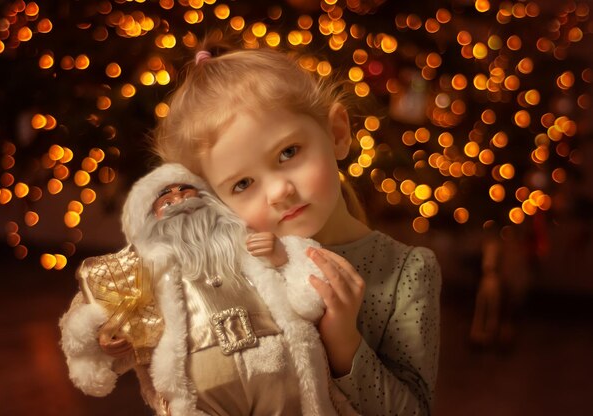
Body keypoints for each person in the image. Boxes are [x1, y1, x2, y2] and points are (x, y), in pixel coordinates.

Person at [152, 44, 442, 415]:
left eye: (288, 152)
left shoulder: (408, 273)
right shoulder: (228, 272)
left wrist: (344, 343)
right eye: (243, 184)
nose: (279, 192)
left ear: (337, 133)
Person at [60, 163, 357, 416]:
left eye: (185, 189)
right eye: (165, 196)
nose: (178, 198)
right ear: (148, 219)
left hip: (280, 374)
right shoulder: (141, 269)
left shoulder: (249, 243)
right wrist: (104, 340)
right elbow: (93, 314)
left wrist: (280, 257)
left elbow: (310, 294)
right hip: (201, 389)